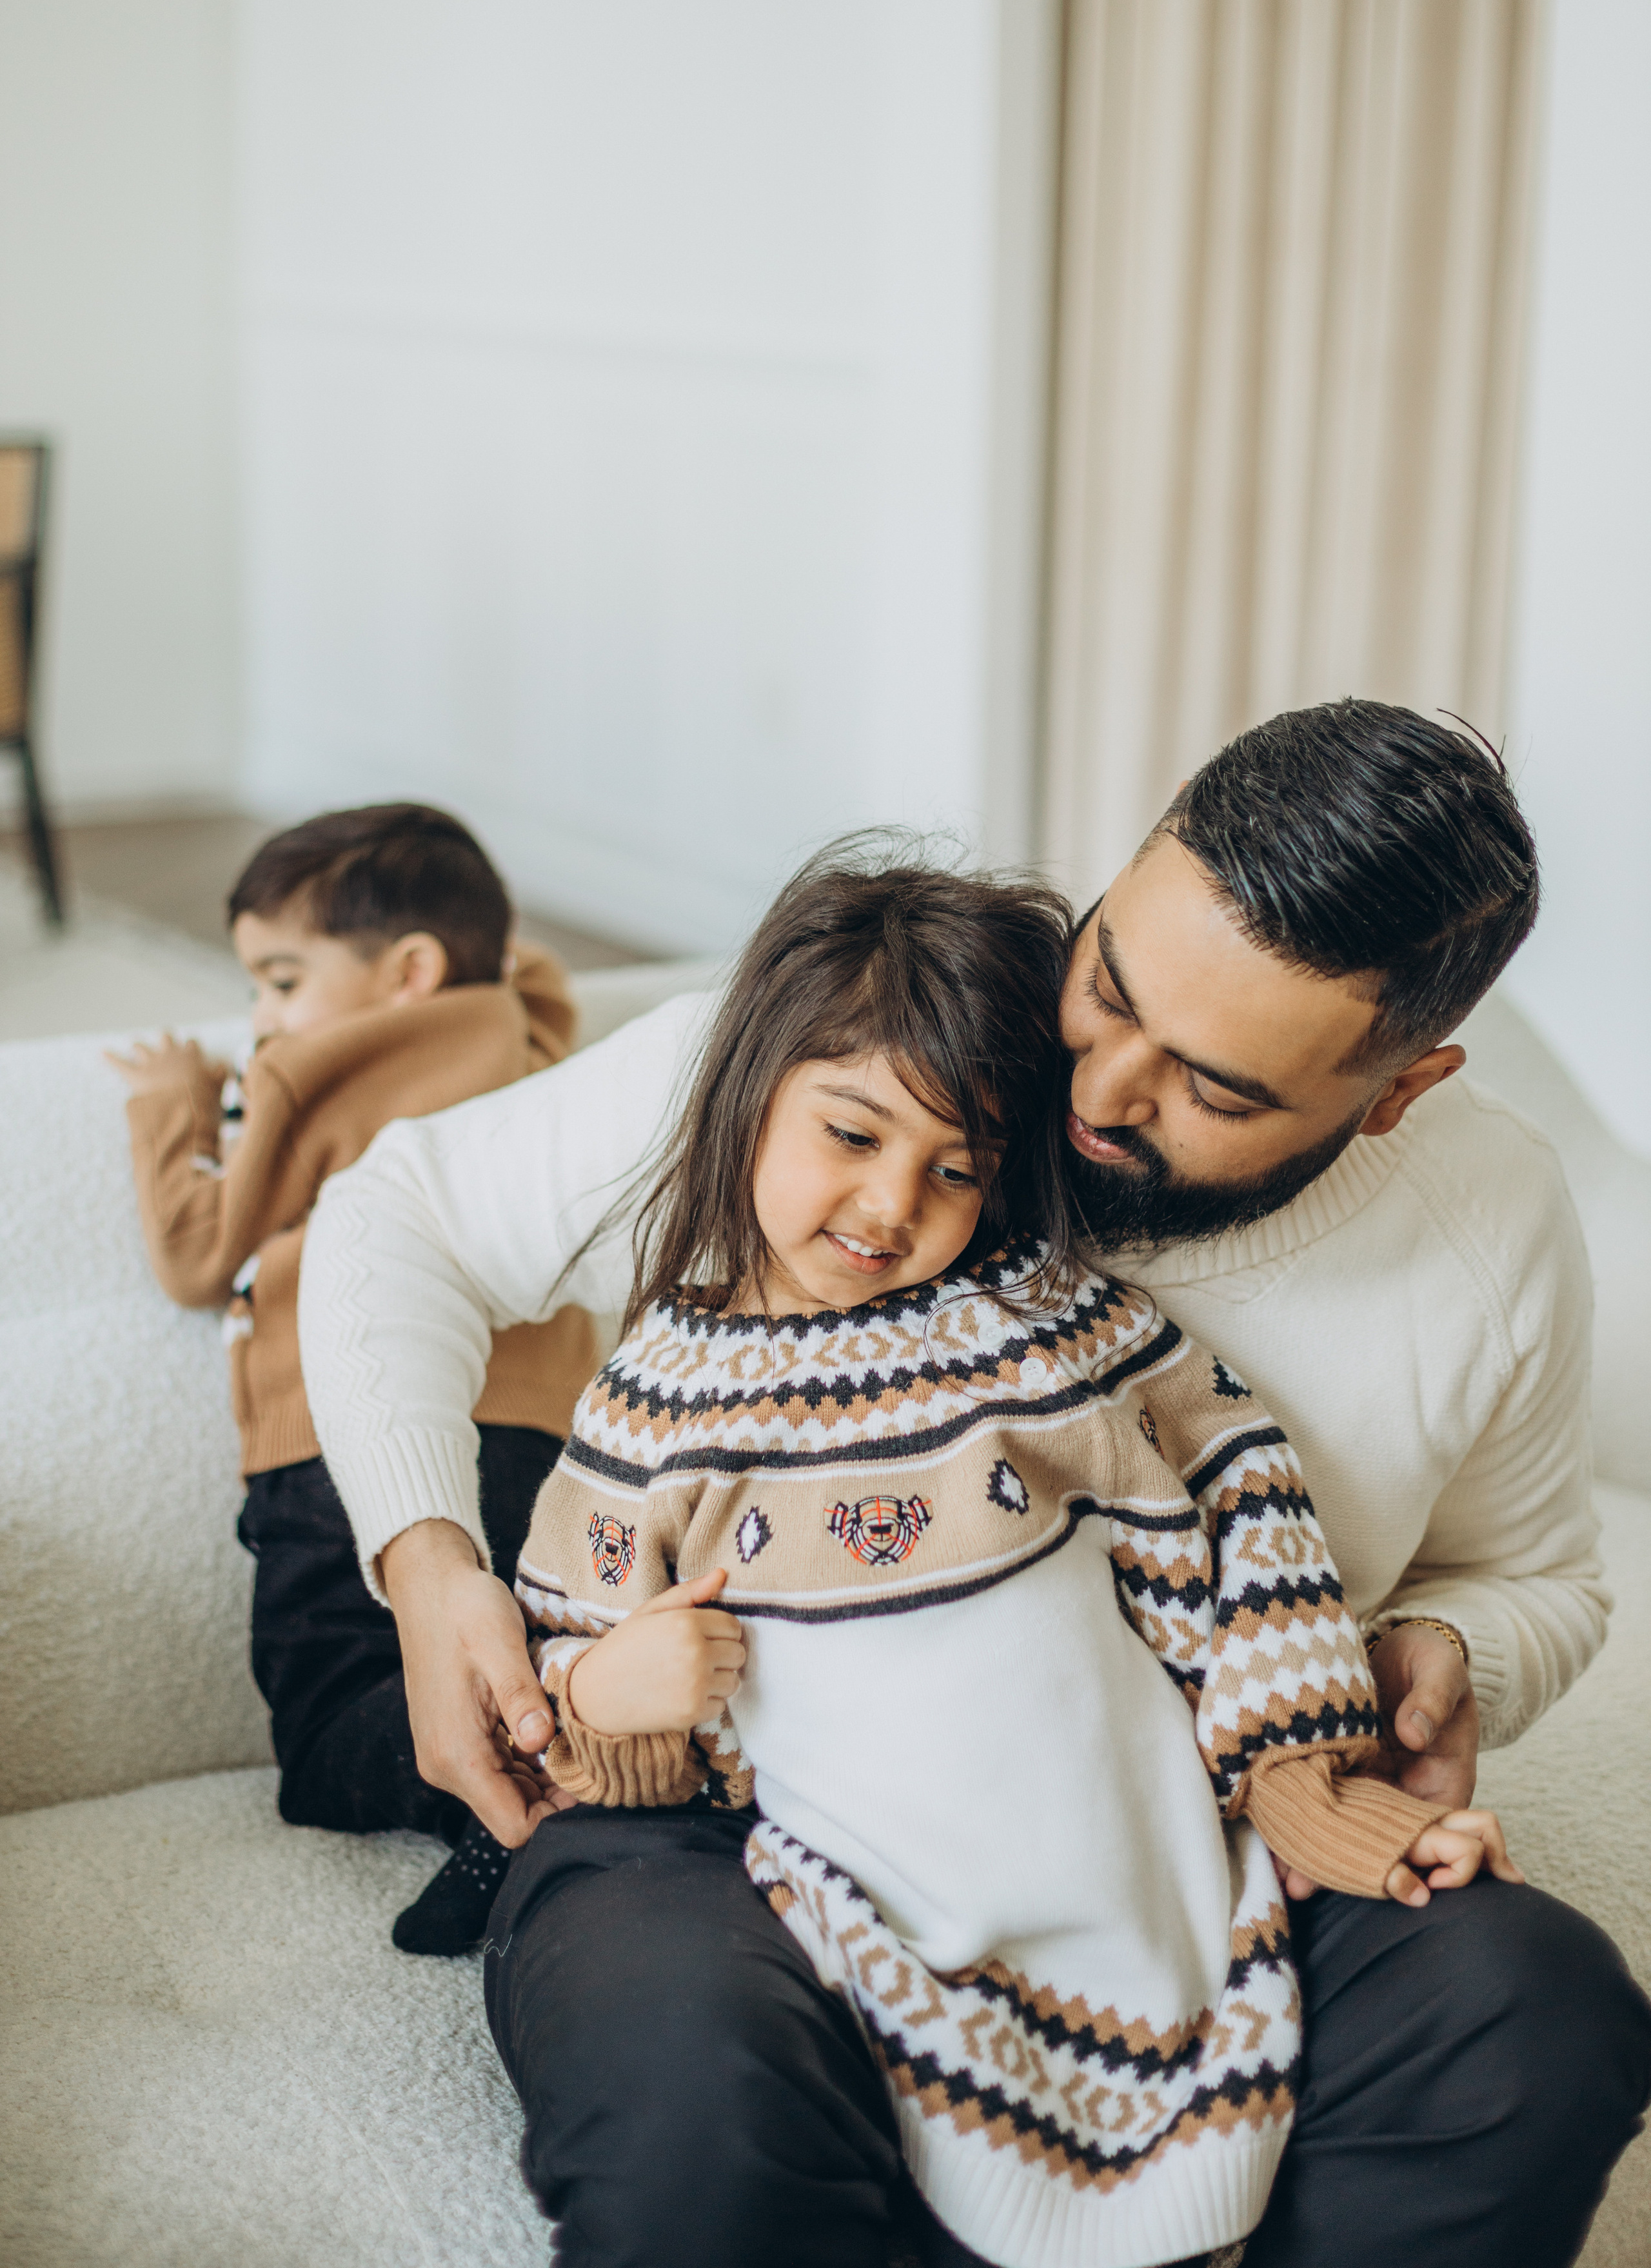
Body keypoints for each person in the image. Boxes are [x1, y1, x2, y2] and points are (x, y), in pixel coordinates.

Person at [298, 703, 1651, 2267]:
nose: (1098, 1090)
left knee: (1534, 2013)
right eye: (1110, 985)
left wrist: (1440, 1652)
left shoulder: (1484, 1222)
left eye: (1213, 1091)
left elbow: (1537, 1575)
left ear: (1396, 1089)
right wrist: (427, 1566)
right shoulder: (864, 1044)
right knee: (697, 2109)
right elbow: (396, 1220)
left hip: (1190, 1815)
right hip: (732, 1808)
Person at [499, 846, 1516, 2268]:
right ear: (752, 1093)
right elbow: (575, 1679)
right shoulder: (654, 1404)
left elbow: (1251, 1505)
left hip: (1142, 1861)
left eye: (955, 1170)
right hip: (875, 1902)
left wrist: (1315, 1800)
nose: (888, 1206)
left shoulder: (1053, 1325)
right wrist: (614, 1697)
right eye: (850, 1135)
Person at [110, 801, 598, 1955]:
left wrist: (171, 1104)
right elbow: (534, 972)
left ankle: (496, 1793)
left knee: (326, 1727)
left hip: (345, 1441)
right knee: (521, 1634)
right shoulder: (532, 1042)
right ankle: (578, 1729)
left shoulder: (299, 1075)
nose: (262, 1016)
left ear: (409, 971)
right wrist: (471, 951)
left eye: (280, 980)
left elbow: (198, 1255)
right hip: (538, 1437)